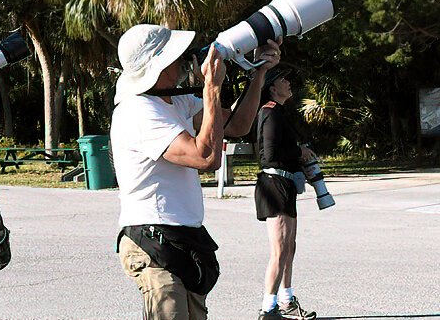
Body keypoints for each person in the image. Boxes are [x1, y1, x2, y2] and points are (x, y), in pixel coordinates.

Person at [110, 24, 279, 320]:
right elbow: (206, 156)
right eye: (175, 57)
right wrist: (211, 87)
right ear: (159, 65)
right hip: (153, 240)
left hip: (184, 239)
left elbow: (237, 125)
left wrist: (259, 74)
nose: (182, 61)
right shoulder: (137, 111)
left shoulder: (177, 101)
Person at [252, 69, 318, 320]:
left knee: (290, 247)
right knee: (279, 250)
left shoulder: (279, 112)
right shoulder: (269, 112)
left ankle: (287, 301)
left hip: (286, 184)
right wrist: (298, 152)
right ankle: (268, 309)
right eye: (283, 80)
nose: (289, 82)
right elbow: (268, 156)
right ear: (272, 88)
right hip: (274, 186)